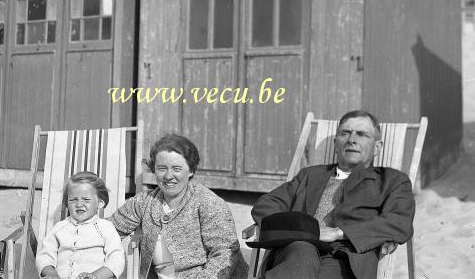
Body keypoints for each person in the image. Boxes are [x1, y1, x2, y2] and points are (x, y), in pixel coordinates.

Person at [251, 110, 415, 279]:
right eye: (345, 133)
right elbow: (265, 206)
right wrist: (307, 231)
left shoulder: (391, 180)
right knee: (302, 251)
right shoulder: (309, 175)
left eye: (361, 134)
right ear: (336, 143)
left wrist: (339, 232)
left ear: (377, 147)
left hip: (345, 258)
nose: (352, 139)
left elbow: (399, 221)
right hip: (296, 250)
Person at [108, 134, 248, 278]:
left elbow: (225, 254)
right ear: (153, 170)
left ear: (191, 171)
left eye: (176, 168)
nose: (168, 176)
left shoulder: (208, 203)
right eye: (162, 168)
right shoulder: (144, 201)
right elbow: (106, 231)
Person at [37, 172, 125, 279]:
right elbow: (45, 255)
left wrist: (96, 275)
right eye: (73, 200)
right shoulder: (60, 228)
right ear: (66, 203)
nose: (79, 204)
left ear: (100, 203)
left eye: (86, 200)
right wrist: (51, 273)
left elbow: (116, 258)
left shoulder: (105, 228)